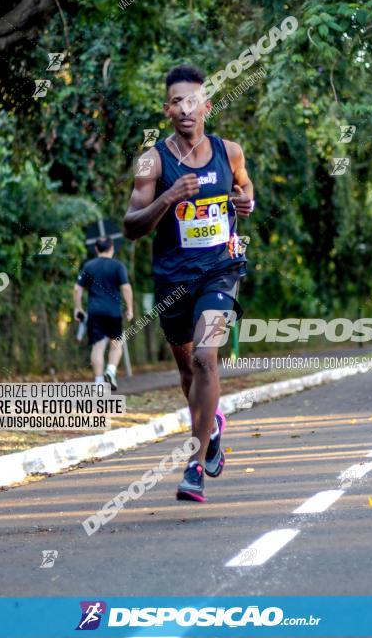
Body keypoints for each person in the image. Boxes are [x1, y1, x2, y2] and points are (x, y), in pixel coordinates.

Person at [123, 64, 254, 501]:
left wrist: (246, 200)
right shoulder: (151, 159)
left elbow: (246, 188)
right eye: (177, 101)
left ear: (207, 107)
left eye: (193, 101)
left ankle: (195, 464)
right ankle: (211, 423)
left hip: (221, 273)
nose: (185, 109)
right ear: (167, 109)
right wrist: (168, 196)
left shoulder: (229, 151)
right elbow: (131, 226)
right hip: (172, 282)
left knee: (205, 358)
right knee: (186, 372)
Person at [74, 237, 133, 390]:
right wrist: (130, 308)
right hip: (114, 312)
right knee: (117, 344)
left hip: (95, 312)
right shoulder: (118, 266)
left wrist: (78, 308)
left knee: (98, 346)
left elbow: (77, 289)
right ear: (112, 248)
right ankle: (111, 370)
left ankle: (99, 382)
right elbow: (126, 288)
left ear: (96, 249)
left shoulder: (89, 266)